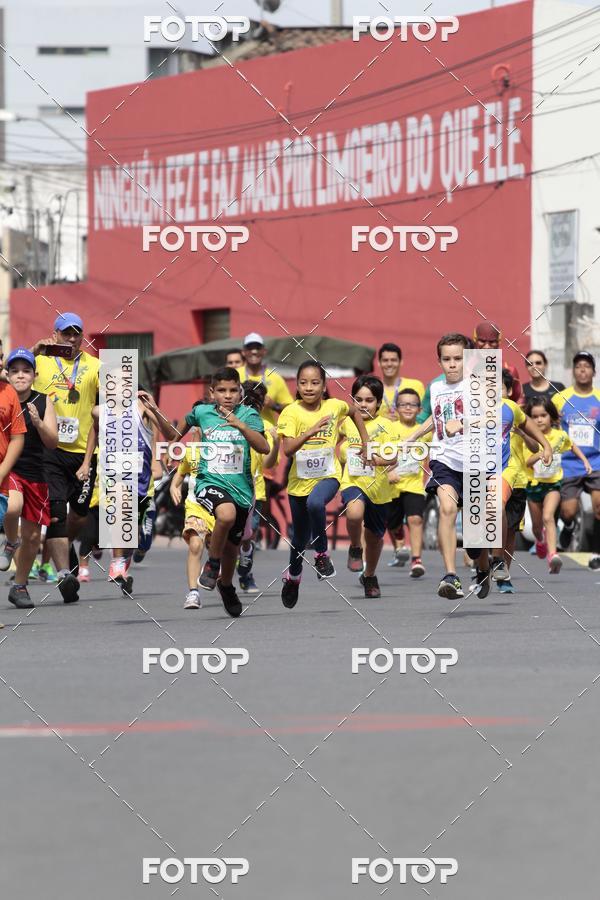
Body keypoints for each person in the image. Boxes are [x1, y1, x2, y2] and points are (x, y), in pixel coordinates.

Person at [277, 361, 370, 608]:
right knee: (298, 539)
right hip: (299, 482)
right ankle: (293, 578)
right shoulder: (291, 412)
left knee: (316, 503)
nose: (309, 387)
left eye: (315, 382)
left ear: (324, 385)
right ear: (296, 385)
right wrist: (309, 432)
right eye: (304, 383)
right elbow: (287, 450)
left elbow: (354, 412)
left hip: (328, 476)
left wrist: (366, 441)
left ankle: (321, 555)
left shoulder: (334, 406)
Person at [186, 367, 268, 617]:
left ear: (240, 392)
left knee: (234, 545)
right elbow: (173, 432)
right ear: (212, 392)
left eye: (233, 390)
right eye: (221, 390)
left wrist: (240, 425)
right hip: (210, 482)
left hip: (242, 490)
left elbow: (263, 447)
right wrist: (157, 415)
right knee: (225, 515)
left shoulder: (249, 415)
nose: (228, 395)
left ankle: (226, 585)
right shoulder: (202, 412)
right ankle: (212, 564)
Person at [31, 313, 99, 604]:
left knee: (80, 515)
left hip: (84, 453)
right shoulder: (40, 362)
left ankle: (64, 544)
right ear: (55, 334)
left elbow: (108, 406)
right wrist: (33, 351)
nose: (71, 339)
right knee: (56, 510)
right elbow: (10, 375)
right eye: (65, 333)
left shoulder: (95, 366)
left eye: (77, 334)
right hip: (50, 450)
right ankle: (64, 575)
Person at [85, 386, 178, 596]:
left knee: (143, 540)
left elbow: (172, 434)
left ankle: (131, 554)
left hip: (145, 486)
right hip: (117, 481)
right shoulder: (103, 411)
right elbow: (95, 422)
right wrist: (85, 463)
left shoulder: (142, 409)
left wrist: (153, 407)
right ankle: (118, 563)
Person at [1, 348, 58, 609]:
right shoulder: (4, 397)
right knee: (12, 508)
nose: (20, 376)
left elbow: (53, 441)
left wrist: (39, 423)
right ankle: (11, 542)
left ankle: (20, 585)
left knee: (34, 537)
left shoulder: (44, 401)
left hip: (37, 472)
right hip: (10, 467)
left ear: (34, 375)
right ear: (7, 373)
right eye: (15, 371)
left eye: (26, 371)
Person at [339, 375, 396, 598]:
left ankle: (370, 575)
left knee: (374, 538)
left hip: (379, 490)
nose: (363, 404)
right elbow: (329, 442)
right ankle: (355, 546)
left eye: (369, 400)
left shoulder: (386, 425)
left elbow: (394, 457)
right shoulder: (345, 422)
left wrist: (376, 460)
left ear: (379, 403)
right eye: (359, 399)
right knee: (354, 513)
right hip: (352, 481)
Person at [526, 396, 591, 573]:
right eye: (535, 416)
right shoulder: (530, 439)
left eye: (543, 415)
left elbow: (572, 446)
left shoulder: (559, 436)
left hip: (552, 484)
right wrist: (539, 455)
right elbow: (526, 462)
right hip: (533, 485)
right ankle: (540, 541)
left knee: (549, 517)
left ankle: (553, 555)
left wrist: (585, 461)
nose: (539, 419)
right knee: (537, 527)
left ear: (551, 417)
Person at [553, 351, 600, 566]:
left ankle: (597, 552)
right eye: (579, 366)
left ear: (593, 371)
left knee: (599, 506)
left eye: (587, 366)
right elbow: (547, 423)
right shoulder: (560, 398)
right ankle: (569, 525)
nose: (583, 370)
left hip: (596, 462)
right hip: (570, 463)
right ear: (573, 371)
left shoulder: (599, 397)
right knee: (568, 511)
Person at [237, 380, 280, 594]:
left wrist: (276, 444)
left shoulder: (266, 428)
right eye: (247, 398)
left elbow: (268, 464)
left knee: (248, 535)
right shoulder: (232, 422)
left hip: (256, 492)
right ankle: (219, 568)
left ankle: (245, 572)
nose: (251, 403)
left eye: (256, 400)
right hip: (229, 488)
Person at [386, 387, 430, 578]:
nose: (408, 408)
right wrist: (389, 471)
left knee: (415, 519)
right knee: (392, 522)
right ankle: (398, 536)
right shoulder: (389, 429)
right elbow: (378, 453)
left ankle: (416, 560)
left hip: (414, 485)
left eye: (412, 404)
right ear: (396, 408)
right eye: (403, 404)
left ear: (420, 409)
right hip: (391, 484)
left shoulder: (423, 433)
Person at [170, 435, 216, 610]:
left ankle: (215, 567)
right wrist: (174, 487)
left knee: (217, 549)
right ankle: (193, 593)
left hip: (219, 507)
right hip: (196, 506)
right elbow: (180, 475)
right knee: (196, 544)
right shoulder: (191, 451)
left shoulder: (226, 449)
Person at [237, 333, 293, 427]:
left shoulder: (275, 377)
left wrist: (274, 405)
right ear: (243, 352)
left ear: (264, 351)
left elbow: (291, 410)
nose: (254, 351)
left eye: (258, 348)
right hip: (239, 431)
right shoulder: (235, 374)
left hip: (266, 433)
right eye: (250, 348)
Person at [473, 321, 523, 405]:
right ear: (475, 339)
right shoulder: (464, 368)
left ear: (499, 341)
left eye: (492, 342)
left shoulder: (510, 370)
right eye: (482, 341)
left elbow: (516, 401)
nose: (487, 347)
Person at [377, 343, 425, 421]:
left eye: (393, 360)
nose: (389, 364)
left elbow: (423, 416)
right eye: (385, 360)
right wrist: (382, 419)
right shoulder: (373, 389)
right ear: (379, 363)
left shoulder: (416, 386)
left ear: (401, 362)